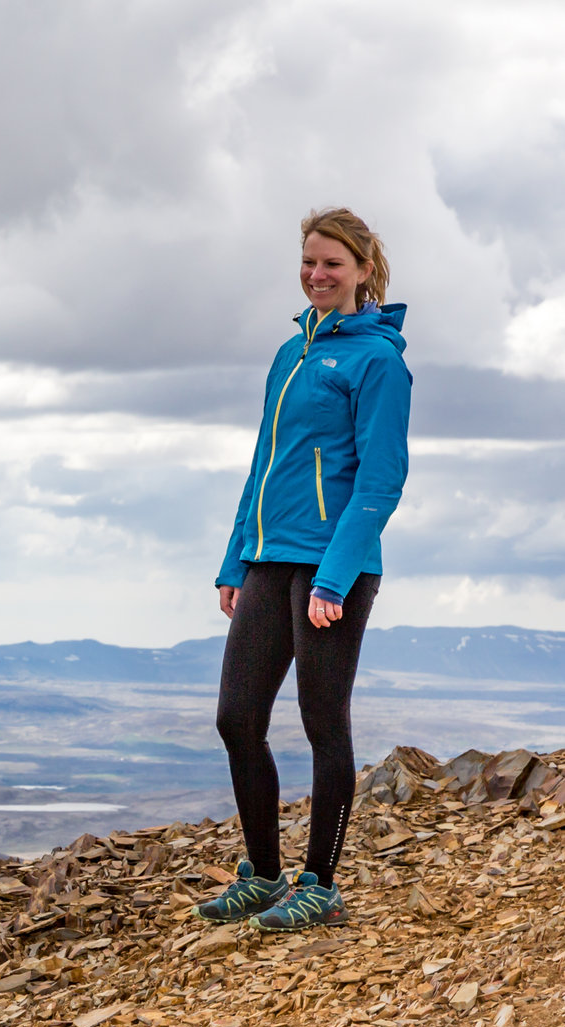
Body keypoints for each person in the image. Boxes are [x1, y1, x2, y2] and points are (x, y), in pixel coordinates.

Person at [199, 207, 411, 934]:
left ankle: (320, 883)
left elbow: (380, 481)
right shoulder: (289, 354)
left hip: (333, 566)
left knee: (323, 722)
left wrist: (334, 576)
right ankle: (262, 873)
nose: (318, 275)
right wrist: (235, 557)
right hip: (268, 555)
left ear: (362, 271)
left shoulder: (378, 360)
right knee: (236, 718)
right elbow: (264, 462)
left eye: (333, 264)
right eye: (309, 262)